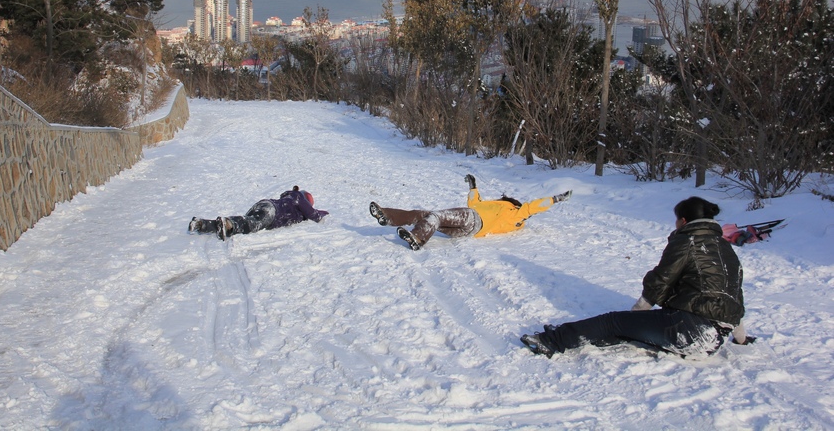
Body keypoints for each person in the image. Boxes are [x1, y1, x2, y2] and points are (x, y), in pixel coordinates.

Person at [520, 196, 754, 359]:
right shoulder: (726, 250)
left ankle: (552, 341)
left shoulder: (687, 241)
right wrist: (741, 339)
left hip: (689, 331)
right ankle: (581, 336)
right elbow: (734, 298)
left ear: (683, 221)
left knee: (613, 322)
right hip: (713, 341)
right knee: (626, 331)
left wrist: (636, 314)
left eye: (676, 220)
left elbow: (661, 279)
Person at [369, 174, 571, 250]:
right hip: (469, 229)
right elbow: (475, 202)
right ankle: (387, 216)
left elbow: (535, 206)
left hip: (472, 220)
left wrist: (556, 199)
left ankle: (418, 238)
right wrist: (473, 185)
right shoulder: (504, 213)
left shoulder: (514, 211)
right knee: (427, 215)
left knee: (435, 216)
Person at [189, 186, 329, 240]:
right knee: (248, 224)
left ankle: (203, 224)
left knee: (246, 222)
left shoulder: (288, 198)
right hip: (271, 212)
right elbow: (314, 215)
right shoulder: (298, 198)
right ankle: (228, 223)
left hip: (265, 204)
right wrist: (324, 212)